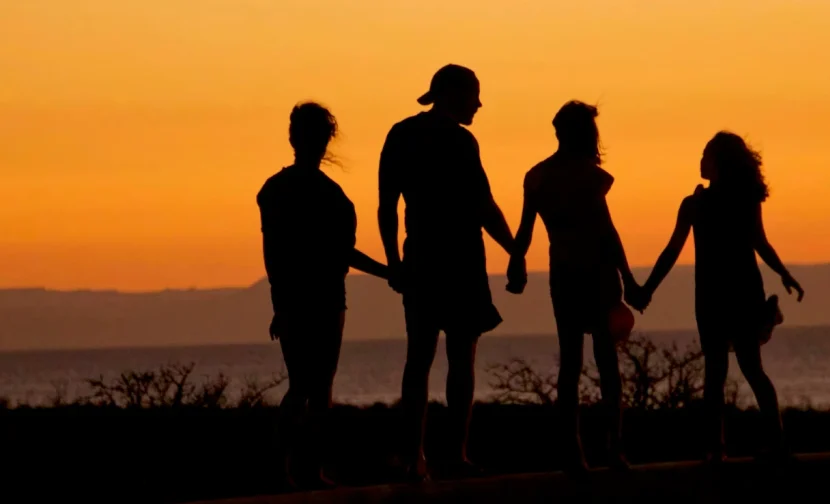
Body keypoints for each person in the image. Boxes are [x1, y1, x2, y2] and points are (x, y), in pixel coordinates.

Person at [377, 64, 518, 481]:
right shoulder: (459, 141)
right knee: (457, 359)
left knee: (419, 359)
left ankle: (416, 456)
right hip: (457, 262)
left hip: (422, 259)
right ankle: (450, 454)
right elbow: (484, 206)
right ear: (453, 94)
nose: (478, 103)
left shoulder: (402, 134)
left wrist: (394, 263)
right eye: (473, 94)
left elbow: (387, 207)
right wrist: (515, 250)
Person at [636, 131, 805, 463]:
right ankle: (752, 444)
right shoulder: (708, 203)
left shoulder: (701, 204)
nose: (700, 161)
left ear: (719, 163)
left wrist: (647, 290)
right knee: (741, 371)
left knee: (725, 372)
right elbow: (758, 242)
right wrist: (648, 289)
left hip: (724, 295)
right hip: (731, 294)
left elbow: (756, 243)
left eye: (706, 155)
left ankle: (724, 448)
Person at [506, 101, 643, 475]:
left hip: (564, 274)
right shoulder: (590, 176)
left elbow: (525, 230)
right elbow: (607, 233)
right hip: (596, 274)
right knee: (606, 363)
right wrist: (628, 279)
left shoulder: (537, 176)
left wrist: (516, 263)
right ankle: (612, 449)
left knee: (572, 362)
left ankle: (575, 452)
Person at [257, 102, 389, 489]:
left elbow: (276, 254)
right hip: (318, 299)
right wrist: (389, 272)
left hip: (314, 297)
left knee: (311, 386)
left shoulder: (282, 190)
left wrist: (279, 303)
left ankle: (299, 468)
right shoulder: (320, 194)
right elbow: (286, 254)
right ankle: (296, 468)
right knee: (312, 386)